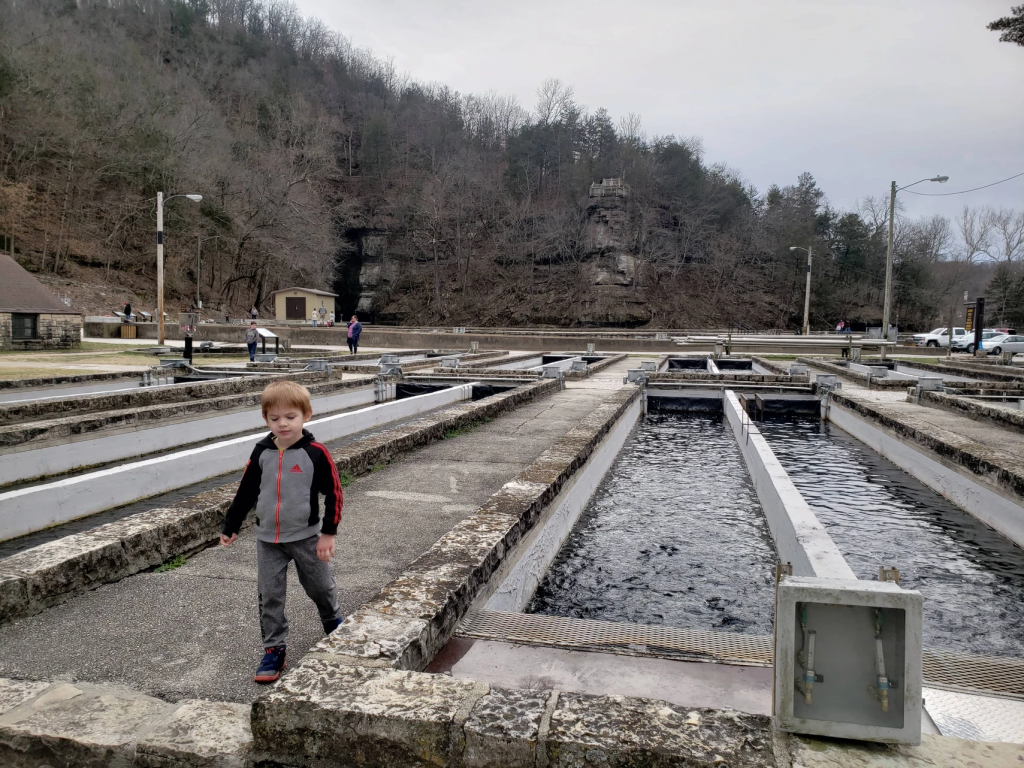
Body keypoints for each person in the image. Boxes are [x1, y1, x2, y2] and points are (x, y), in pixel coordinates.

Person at [219, 380, 344, 683]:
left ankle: (332, 621)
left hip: (306, 537)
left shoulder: (316, 453)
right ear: (266, 420)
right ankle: (274, 648)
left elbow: (335, 494)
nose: (283, 424)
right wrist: (231, 525)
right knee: (270, 595)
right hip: (268, 540)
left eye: (290, 416)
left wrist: (329, 533)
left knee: (320, 587)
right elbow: (246, 491)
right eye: (274, 419)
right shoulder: (262, 451)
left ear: (306, 416)